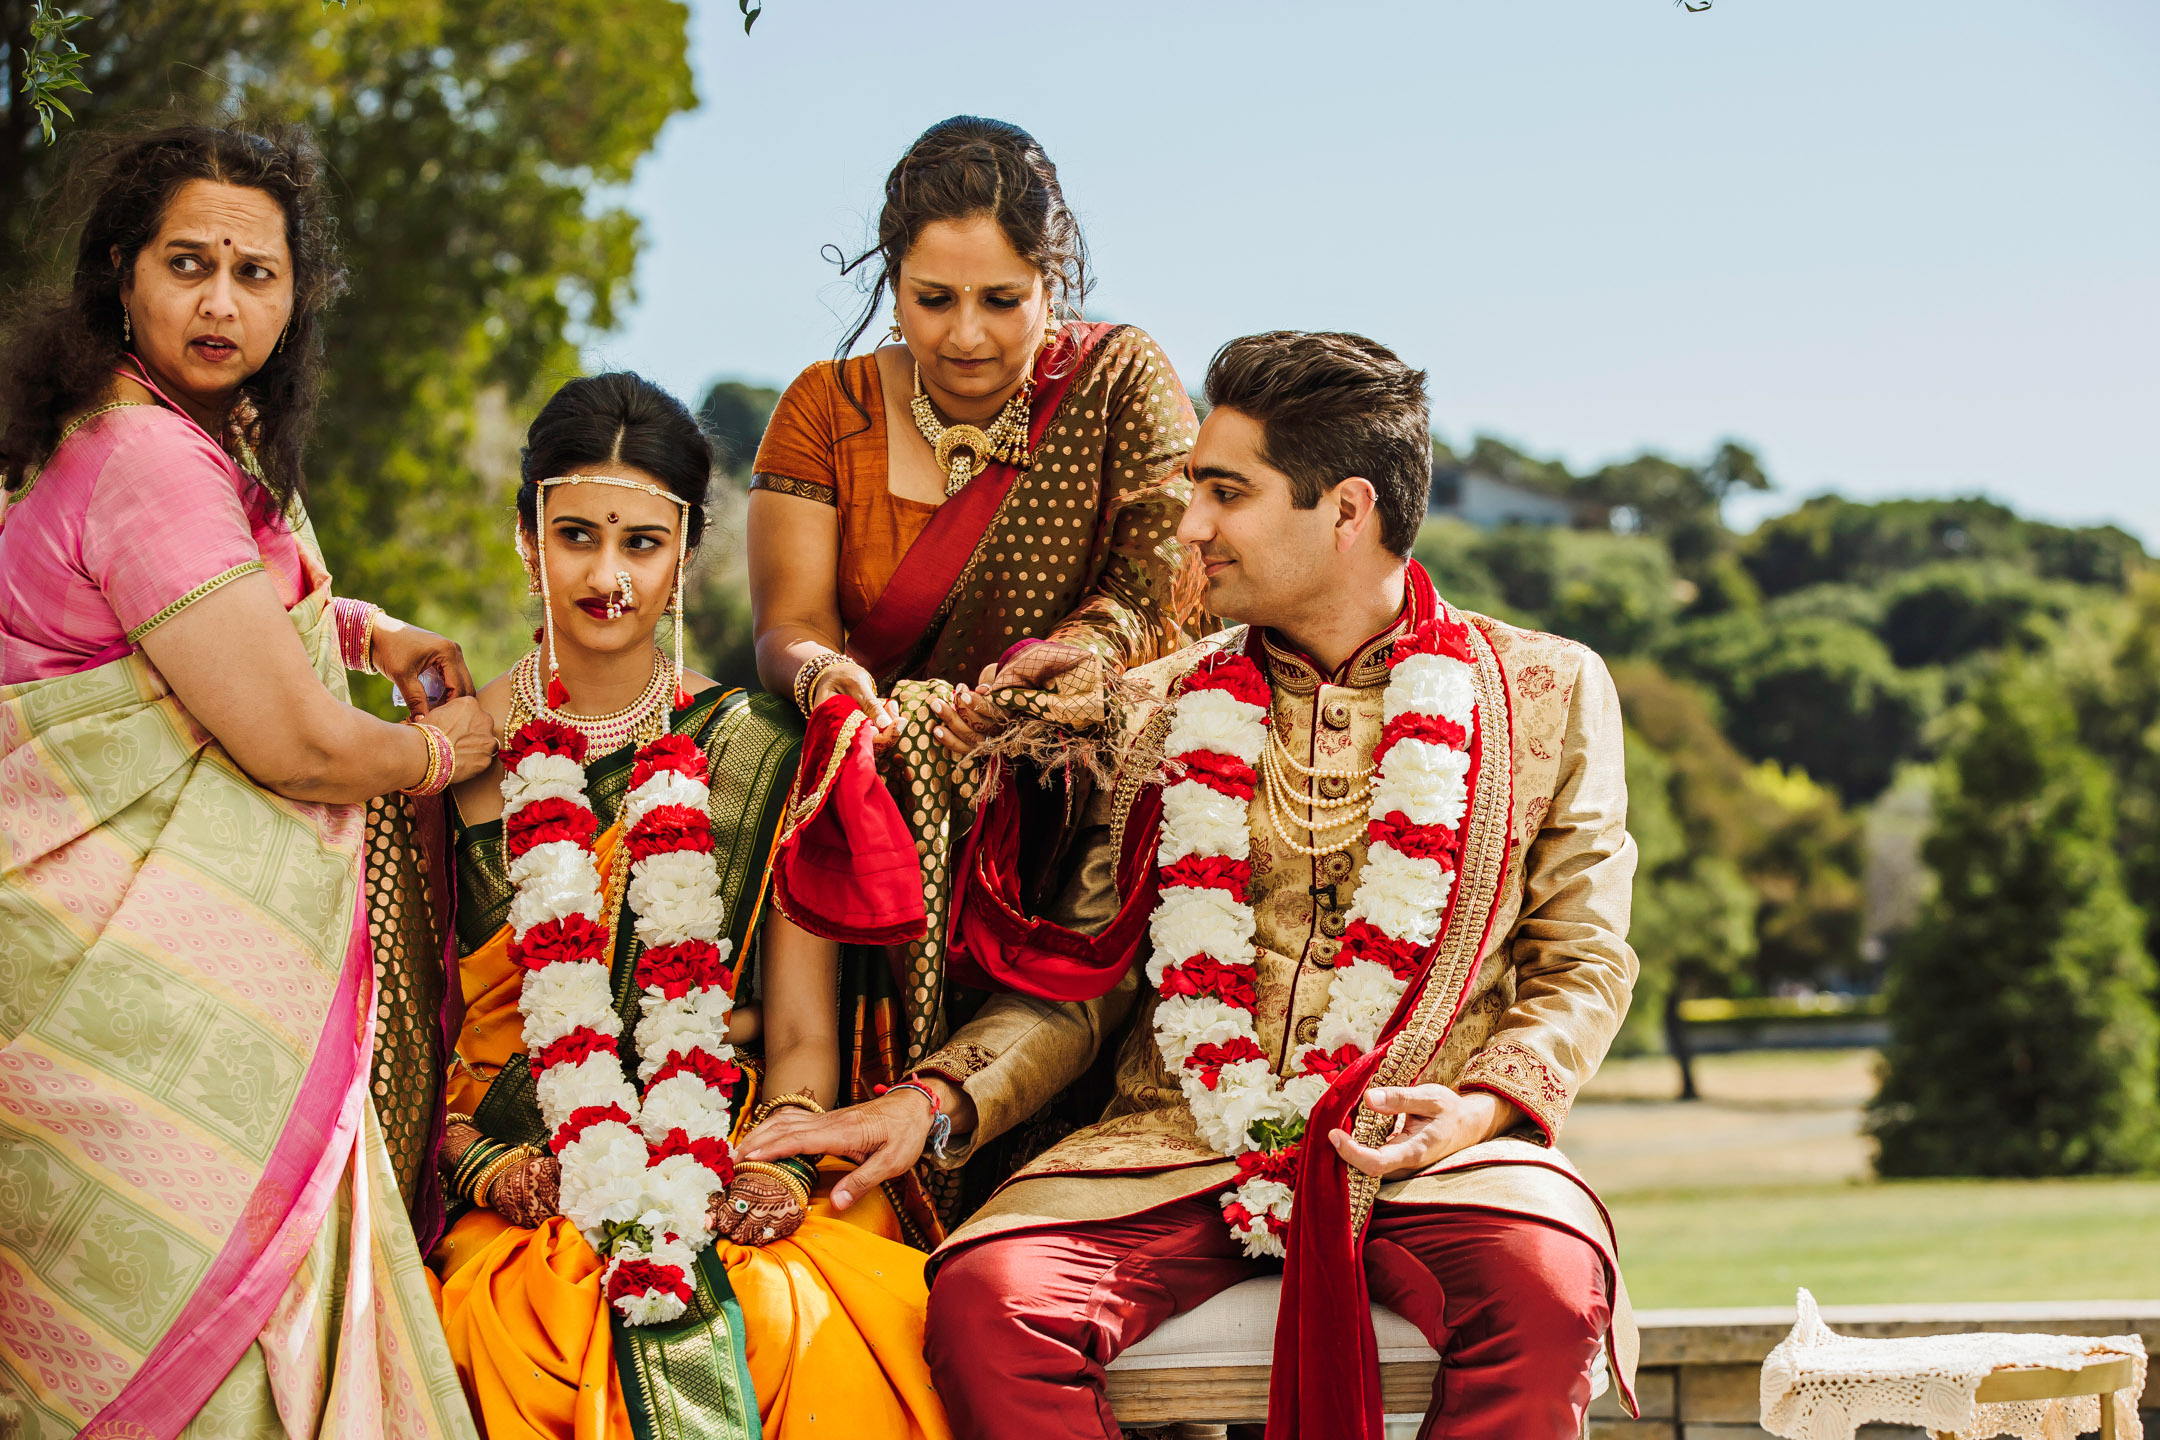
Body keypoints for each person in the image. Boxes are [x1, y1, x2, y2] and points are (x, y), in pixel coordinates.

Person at [743, 332, 1643, 1440]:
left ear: (1347, 509)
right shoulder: (1154, 706)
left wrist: (1483, 1107)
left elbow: (1582, 961)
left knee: (1545, 1289)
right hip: (1173, 1151)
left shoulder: (1546, 690)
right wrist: (930, 1100)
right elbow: (1079, 985)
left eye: (1227, 492)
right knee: (990, 1305)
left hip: (1424, 1149)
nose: (1191, 526)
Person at [0, 122, 491, 1438]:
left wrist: (361, 629)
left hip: (95, 1004)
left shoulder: (139, 434)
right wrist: (458, 743)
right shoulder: (149, 458)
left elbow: (194, 619)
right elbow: (299, 746)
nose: (222, 302)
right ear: (123, 272)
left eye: (256, 273)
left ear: (296, 293)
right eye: (189, 264)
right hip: (139, 1027)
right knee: (200, 1377)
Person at [426, 372, 950, 1440]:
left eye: (641, 544)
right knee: (520, 1333)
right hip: (513, 1176)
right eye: (576, 535)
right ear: (528, 539)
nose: (607, 575)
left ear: (686, 555)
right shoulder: (448, 764)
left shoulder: (761, 749)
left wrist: (776, 1169)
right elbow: (397, 1040)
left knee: (794, 1317)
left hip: (726, 1154)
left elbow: (805, 1033)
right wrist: (485, 1166)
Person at [746, 116, 1206, 1154]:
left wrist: (1045, 685)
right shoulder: (828, 408)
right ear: (891, 282)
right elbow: (792, 627)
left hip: (1068, 809)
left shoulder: (1118, 382)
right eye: (932, 299)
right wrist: (834, 682)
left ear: (1055, 287)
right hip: (870, 789)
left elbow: (1164, 587)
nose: (965, 335)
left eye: (1002, 301)